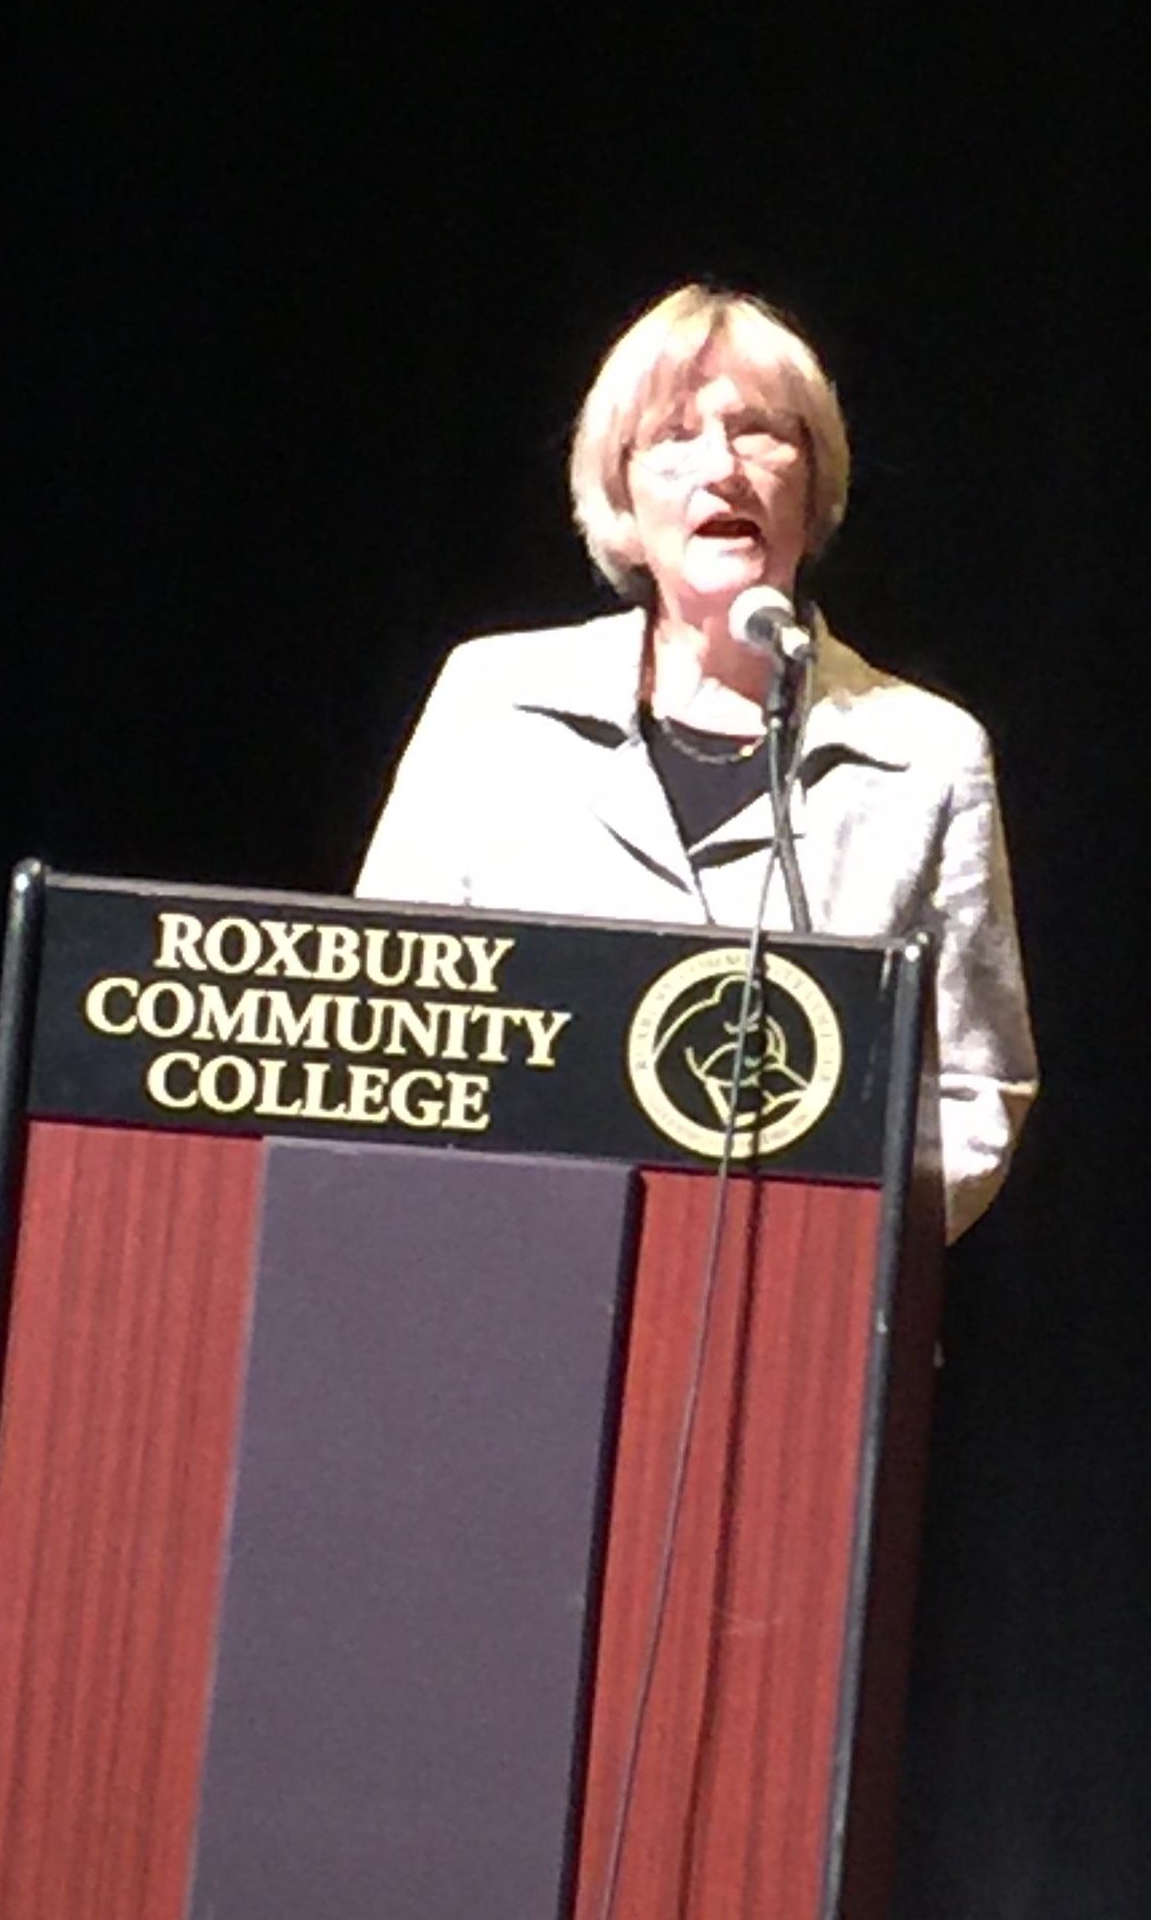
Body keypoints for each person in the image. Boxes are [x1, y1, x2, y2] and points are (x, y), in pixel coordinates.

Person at [357, 285, 1035, 1235]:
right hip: (509, 1268)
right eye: (675, 437)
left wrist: (842, 1252)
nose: (722, 467)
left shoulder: (922, 755)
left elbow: (970, 1091)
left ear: (813, 485)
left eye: (762, 432)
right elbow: (388, 1022)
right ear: (623, 495)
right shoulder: (495, 704)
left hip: (794, 1303)